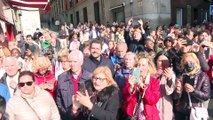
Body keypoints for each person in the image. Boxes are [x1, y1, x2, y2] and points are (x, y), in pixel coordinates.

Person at [122, 52, 160, 120]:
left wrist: (143, 87)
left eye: (143, 65)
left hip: (148, 116)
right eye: (138, 65)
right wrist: (131, 87)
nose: (140, 68)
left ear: (148, 67)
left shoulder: (154, 81)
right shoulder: (132, 78)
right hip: (133, 115)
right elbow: (125, 97)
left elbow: (152, 100)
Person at [173, 53, 211, 120]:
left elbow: (206, 96)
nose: (188, 64)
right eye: (186, 62)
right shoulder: (181, 76)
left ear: (196, 62)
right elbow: (175, 97)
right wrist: (178, 90)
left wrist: (193, 91)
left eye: (191, 61)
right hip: (181, 110)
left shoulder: (203, 76)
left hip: (196, 110)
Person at [56, 50, 91, 120]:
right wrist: (66, 114)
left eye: (75, 61)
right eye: (70, 61)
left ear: (81, 62)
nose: (72, 64)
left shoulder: (89, 77)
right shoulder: (61, 78)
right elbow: (59, 99)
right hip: (68, 116)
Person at [154, 51, 176, 120]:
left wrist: (169, 78)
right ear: (156, 61)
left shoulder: (171, 73)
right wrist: (155, 76)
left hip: (166, 104)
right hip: (153, 105)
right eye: (160, 61)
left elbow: (169, 91)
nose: (162, 63)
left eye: (165, 61)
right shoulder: (152, 72)